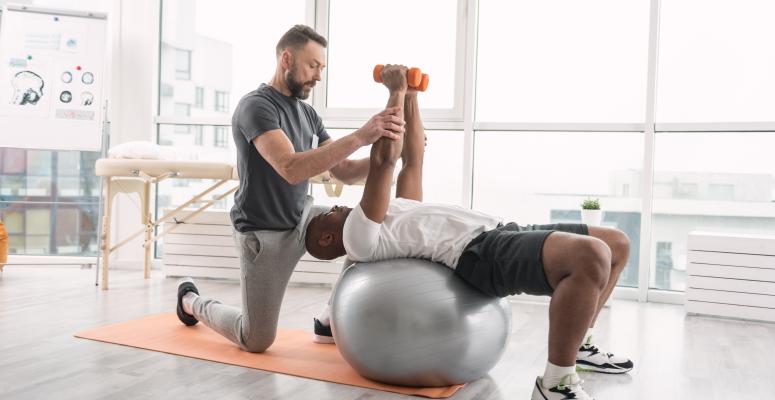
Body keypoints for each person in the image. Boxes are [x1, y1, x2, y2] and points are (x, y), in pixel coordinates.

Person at [305, 65, 632, 400]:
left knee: (616, 244)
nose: (336, 207)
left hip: (501, 230)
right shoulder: (359, 238)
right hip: (480, 253)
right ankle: (556, 383)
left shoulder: (396, 211)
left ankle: (579, 344)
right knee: (592, 255)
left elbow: (411, 159)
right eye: (328, 213)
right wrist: (395, 91)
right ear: (327, 238)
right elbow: (383, 162)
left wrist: (413, 98)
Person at [173, 25, 405, 354]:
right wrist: (362, 135)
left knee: (366, 227)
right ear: (286, 58)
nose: (318, 76)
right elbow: (290, 168)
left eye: (322, 68)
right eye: (313, 66)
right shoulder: (256, 106)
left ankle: (328, 317)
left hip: (303, 217)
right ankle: (192, 301)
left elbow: (346, 172)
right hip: (263, 233)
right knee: (256, 339)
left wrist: (393, 157)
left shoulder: (308, 114)